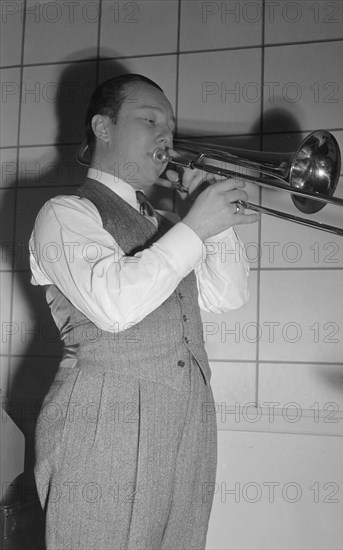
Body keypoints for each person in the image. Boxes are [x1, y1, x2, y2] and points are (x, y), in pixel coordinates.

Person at [29, 73, 259, 550]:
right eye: (149, 119)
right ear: (103, 127)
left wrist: (211, 226)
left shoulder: (169, 224)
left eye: (170, 125)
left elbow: (228, 296)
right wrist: (196, 225)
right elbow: (114, 307)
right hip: (103, 416)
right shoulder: (66, 212)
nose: (166, 136)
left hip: (188, 414)